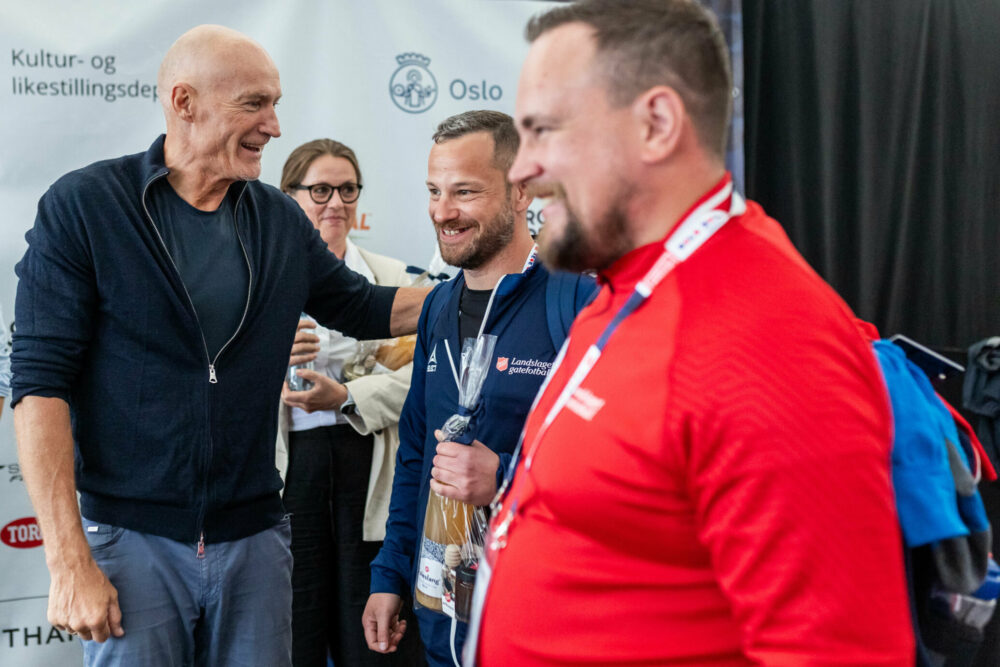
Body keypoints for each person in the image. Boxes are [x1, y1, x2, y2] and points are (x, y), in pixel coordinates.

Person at [470, 1, 916, 665]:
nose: (520, 168)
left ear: (656, 124)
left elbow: (835, 650)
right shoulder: (630, 281)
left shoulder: (765, 343)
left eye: (544, 130)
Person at [10, 25, 427, 667]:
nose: (274, 126)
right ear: (185, 102)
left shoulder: (277, 217)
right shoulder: (87, 206)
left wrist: (490, 289)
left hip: (256, 541)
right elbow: (40, 385)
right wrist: (67, 560)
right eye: (254, 104)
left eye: (275, 104)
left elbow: (362, 306)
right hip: (131, 543)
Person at [361, 110, 594, 666]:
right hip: (442, 619)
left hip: (543, 623)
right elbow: (416, 455)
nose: (443, 211)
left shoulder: (576, 301)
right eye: (434, 191)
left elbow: (613, 463)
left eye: (464, 192)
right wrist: (390, 572)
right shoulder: (438, 306)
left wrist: (505, 478)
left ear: (520, 192)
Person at [275, 139, 426, 667]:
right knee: (295, 619)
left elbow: (427, 378)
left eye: (347, 189)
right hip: (290, 470)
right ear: (288, 197)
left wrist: (348, 396)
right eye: (320, 190)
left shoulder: (397, 280)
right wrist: (269, 363)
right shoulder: (253, 281)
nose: (336, 203)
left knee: (368, 620)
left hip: (372, 463)